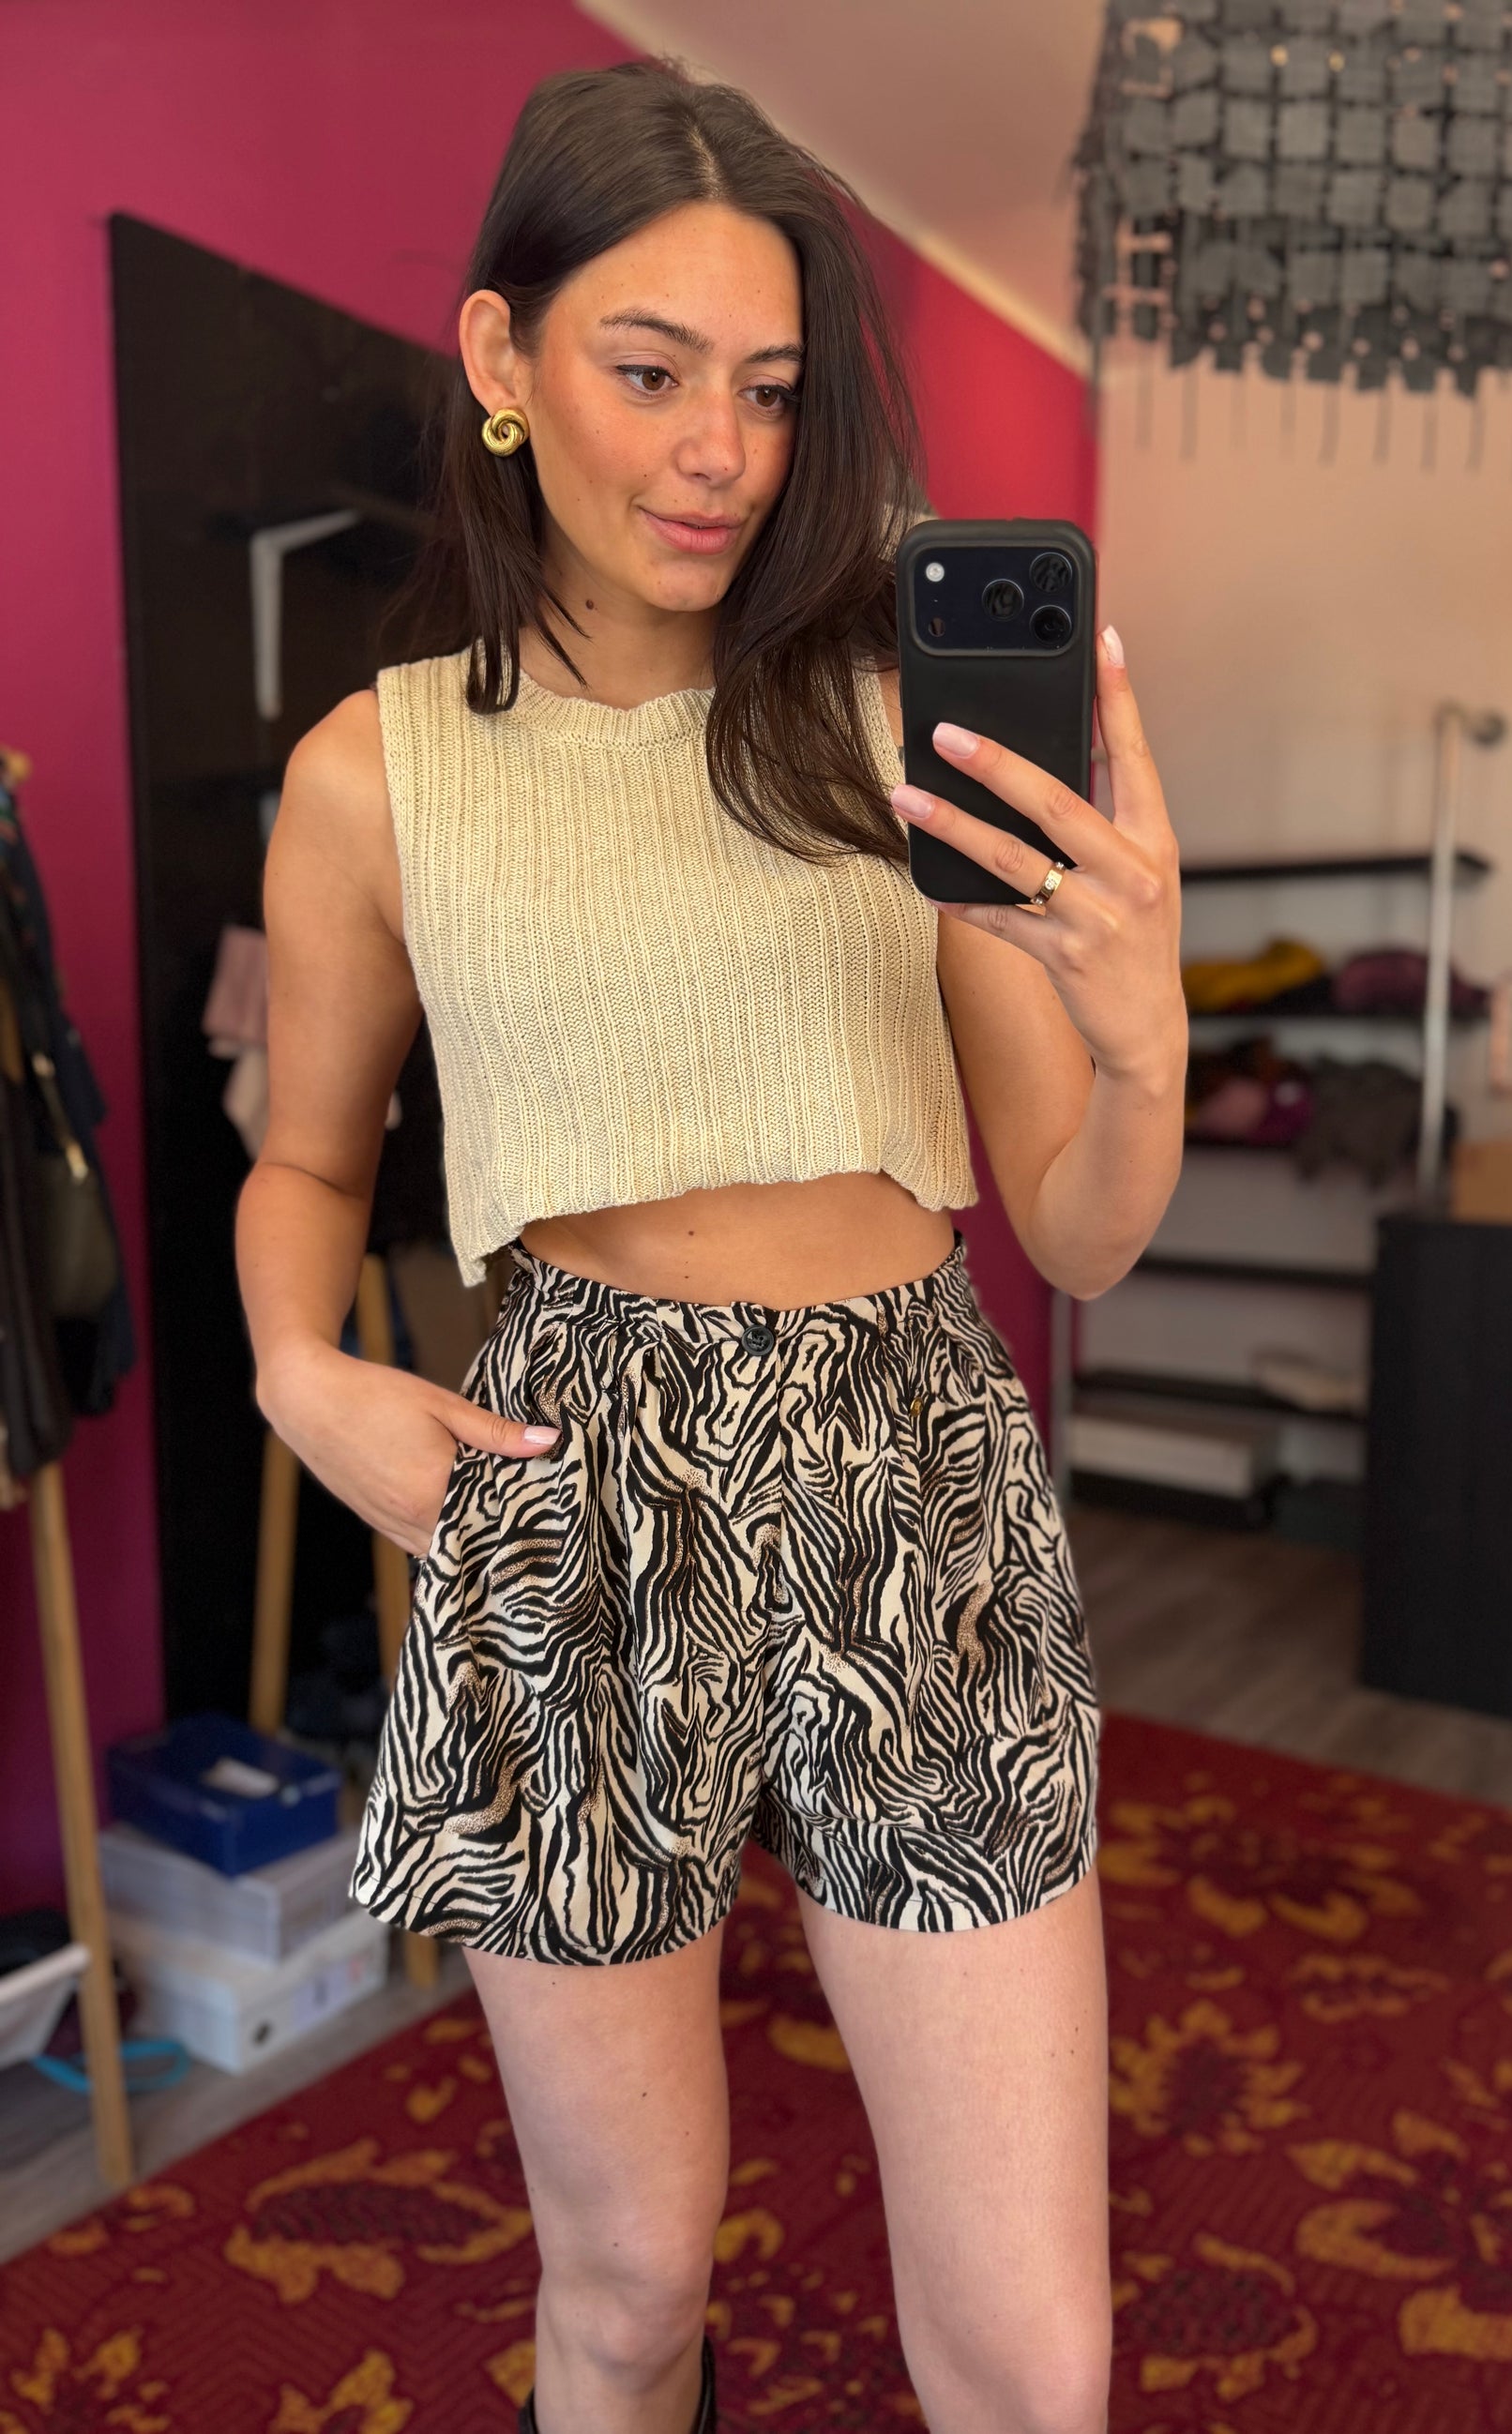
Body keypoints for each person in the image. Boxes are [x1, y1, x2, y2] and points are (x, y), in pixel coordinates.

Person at [236, 58, 1186, 2434]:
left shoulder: (892, 717)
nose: (719, 454)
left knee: (1032, 2348)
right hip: (574, 1476)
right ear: (499, 354)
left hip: (911, 1466)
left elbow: (1077, 1226)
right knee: (631, 2281)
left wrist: (1145, 1032)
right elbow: (310, 1163)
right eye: (649, 372)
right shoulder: (373, 774)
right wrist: (296, 1367)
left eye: (766, 390)